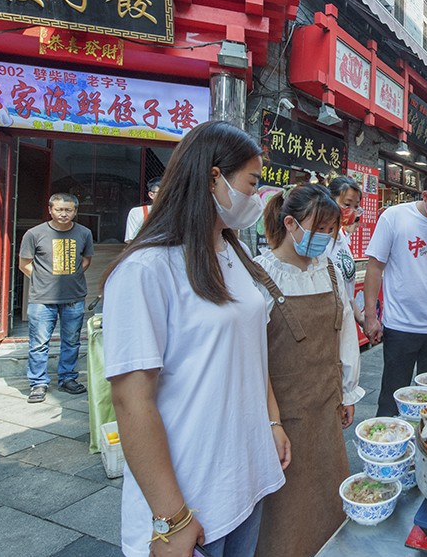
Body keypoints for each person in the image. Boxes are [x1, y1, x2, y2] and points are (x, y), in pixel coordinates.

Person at [102, 121, 289, 557]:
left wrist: (272, 421)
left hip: (242, 478)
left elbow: (250, 355)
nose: (257, 198)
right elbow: (132, 400)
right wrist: (172, 518)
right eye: (252, 182)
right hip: (190, 497)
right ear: (213, 177)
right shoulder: (146, 270)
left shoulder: (231, 253)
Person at [253, 184, 364, 557]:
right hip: (283, 414)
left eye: (332, 230)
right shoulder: (262, 276)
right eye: (320, 229)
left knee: (329, 489)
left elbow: (345, 333)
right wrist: (270, 421)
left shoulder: (329, 270)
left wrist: (348, 392)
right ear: (290, 223)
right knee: (285, 505)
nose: (327, 238)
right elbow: (251, 355)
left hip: (326, 405)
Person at [363, 166, 427, 417]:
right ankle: (388, 448)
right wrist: (370, 316)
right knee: (392, 396)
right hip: (401, 326)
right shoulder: (395, 217)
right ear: (425, 195)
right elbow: (375, 267)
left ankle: (425, 451)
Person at [18, 193, 94, 403]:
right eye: (59, 209)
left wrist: (70, 277)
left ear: (75, 212)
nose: (63, 214)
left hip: (74, 297)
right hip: (42, 299)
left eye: (68, 210)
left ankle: (68, 378)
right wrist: (43, 279)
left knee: (71, 342)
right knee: (39, 343)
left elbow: (86, 260)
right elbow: (24, 264)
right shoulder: (35, 234)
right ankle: (38, 383)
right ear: (50, 210)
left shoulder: (84, 233)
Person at [327, 176, 365, 322]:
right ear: (330, 201)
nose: (352, 211)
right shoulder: (319, 242)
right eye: (347, 204)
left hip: (345, 322)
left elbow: (348, 293)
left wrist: (361, 320)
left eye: (356, 207)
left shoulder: (342, 238)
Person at [125, 177, 161, 243]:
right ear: (151, 195)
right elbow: (131, 241)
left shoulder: (178, 213)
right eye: (161, 193)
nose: (166, 196)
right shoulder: (137, 213)